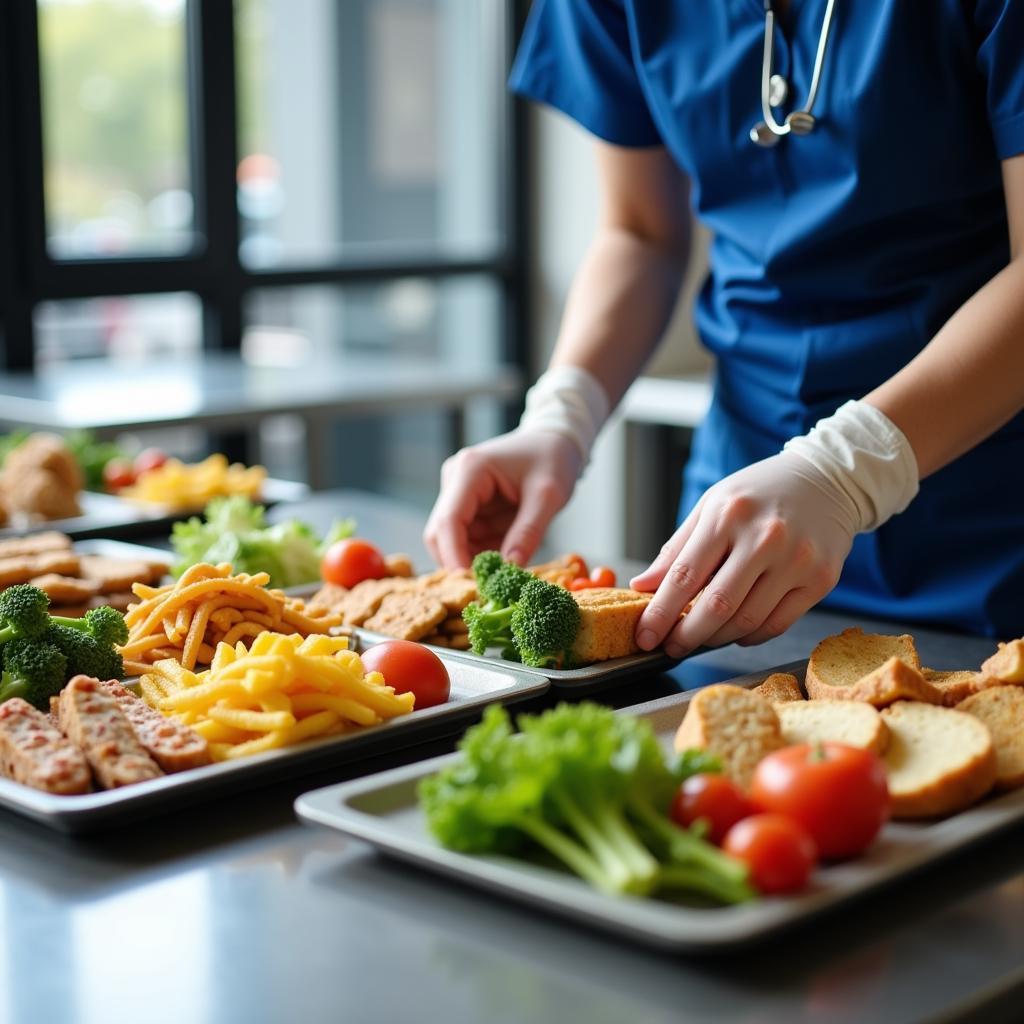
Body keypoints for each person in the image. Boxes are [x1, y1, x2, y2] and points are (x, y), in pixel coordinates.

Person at [424, 0, 1024, 658]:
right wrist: (561, 416)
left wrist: (845, 472)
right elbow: (640, 234)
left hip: (984, 522)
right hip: (734, 522)